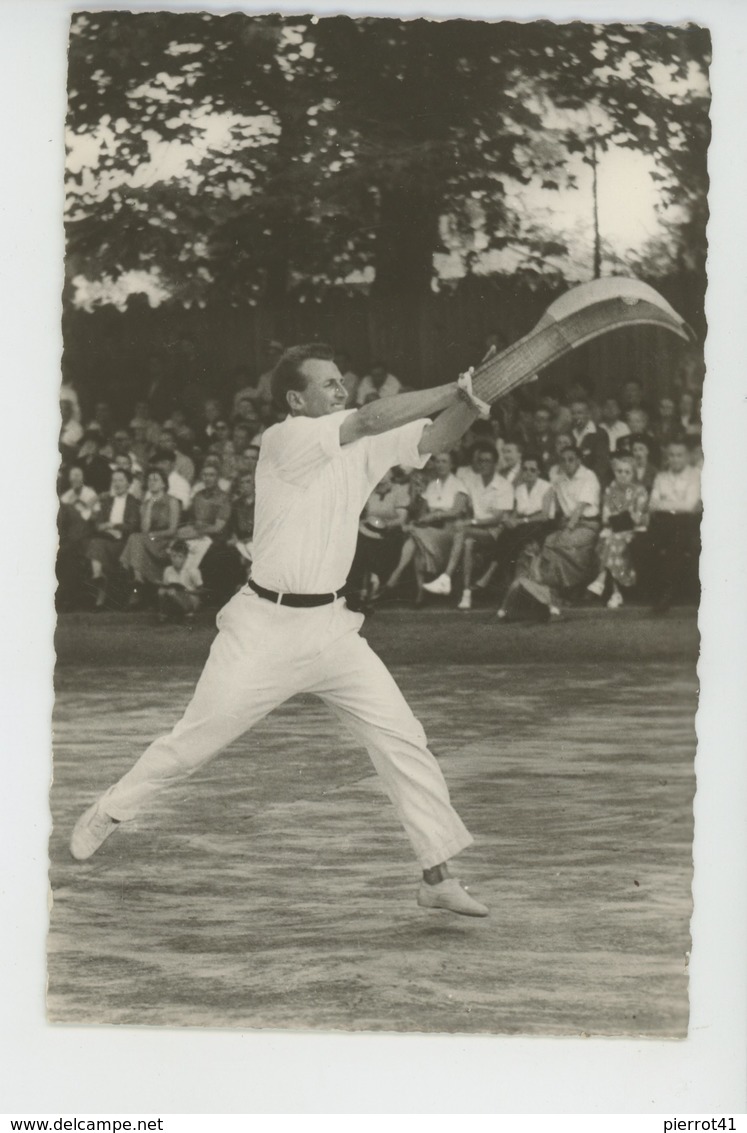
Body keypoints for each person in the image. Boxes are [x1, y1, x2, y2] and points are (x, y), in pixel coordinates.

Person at [71, 343, 490, 918]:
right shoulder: (283, 439)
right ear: (297, 399)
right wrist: (455, 388)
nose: (342, 392)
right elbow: (370, 416)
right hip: (262, 629)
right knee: (193, 743)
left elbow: (434, 439)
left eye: (343, 382)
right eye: (330, 385)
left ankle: (437, 875)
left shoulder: (362, 442)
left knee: (403, 740)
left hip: (334, 631)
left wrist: (478, 395)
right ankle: (111, 809)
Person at [500, 445, 600, 621]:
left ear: (578, 460)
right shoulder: (559, 479)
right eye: (563, 460)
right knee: (545, 544)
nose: (567, 463)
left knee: (561, 544)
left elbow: (580, 507)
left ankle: (568, 588)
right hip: (568, 524)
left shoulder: (588, 476)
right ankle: (550, 591)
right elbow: (541, 486)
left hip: (586, 525)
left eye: (571, 459)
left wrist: (568, 528)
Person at [423, 446, 513, 610]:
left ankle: (446, 578)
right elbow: (463, 505)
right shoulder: (473, 482)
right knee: (468, 543)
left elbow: (498, 518)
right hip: (475, 533)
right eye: (480, 460)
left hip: (495, 532)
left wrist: (470, 522)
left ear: (495, 464)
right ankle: (466, 594)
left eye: (487, 461)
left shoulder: (504, 485)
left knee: (463, 531)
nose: (483, 464)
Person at [645, 440, 702, 613]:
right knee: (650, 541)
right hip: (663, 522)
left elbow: (690, 506)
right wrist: (675, 503)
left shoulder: (695, 474)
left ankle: (667, 593)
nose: (675, 459)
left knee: (676, 541)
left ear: (688, 457)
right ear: (666, 457)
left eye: (679, 455)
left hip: (689, 522)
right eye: (671, 455)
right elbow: (651, 504)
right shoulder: (661, 477)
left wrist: (665, 502)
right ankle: (660, 592)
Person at [585, 453, 648, 609]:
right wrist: (623, 516)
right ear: (614, 472)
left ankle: (601, 579)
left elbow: (638, 517)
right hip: (613, 530)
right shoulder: (610, 491)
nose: (623, 475)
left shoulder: (639, 491)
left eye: (627, 472)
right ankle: (616, 593)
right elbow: (606, 517)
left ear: (633, 474)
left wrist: (622, 517)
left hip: (633, 530)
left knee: (613, 541)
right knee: (611, 540)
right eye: (619, 471)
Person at [119, 467, 181, 605]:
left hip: (165, 540)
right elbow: (145, 529)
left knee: (135, 538)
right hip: (149, 540)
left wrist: (154, 534)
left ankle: (138, 582)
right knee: (136, 538)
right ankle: (138, 580)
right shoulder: (146, 503)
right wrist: (149, 506)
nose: (152, 483)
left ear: (164, 483)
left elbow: (173, 529)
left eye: (155, 480)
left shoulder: (172, 501)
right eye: (149, 480)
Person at [86, 468, 141, 610]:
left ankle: (108, 596)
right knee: (95, 542)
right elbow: (98, 524)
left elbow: (133, 525)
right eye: (114, 480)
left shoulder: (133, 502)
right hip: (107, 539)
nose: (117, 484)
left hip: (125, 542)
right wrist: (104, 526)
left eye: (121, 480)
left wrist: (114, 525)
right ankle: (97, 576)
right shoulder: (107, 501)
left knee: (99, 545)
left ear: (128, 483)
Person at [157, 540, 203, 624]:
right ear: (170, 557)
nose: (176, 559)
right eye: (173, 556)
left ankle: (189, 615)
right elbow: (165, 587)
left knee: (173, 592)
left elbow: (201, 590)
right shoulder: (168, 570)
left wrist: (185, 591)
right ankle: (164, 616)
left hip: (191, 599)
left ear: (185, 558)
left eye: (180, 556)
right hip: (174, 598)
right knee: (161, 591)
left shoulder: (192, 570)